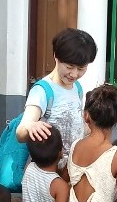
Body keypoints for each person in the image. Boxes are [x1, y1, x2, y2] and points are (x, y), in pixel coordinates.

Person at [16, 28, 97, 167]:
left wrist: (107, 113)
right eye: (69, 66)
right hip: (48, 172)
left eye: (81, 68)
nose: (74, 74)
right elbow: (20, 133)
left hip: (72, 169)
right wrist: (31, 126)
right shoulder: (42, 91)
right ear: (56, 57)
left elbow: (79, 128)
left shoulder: (77, 88)